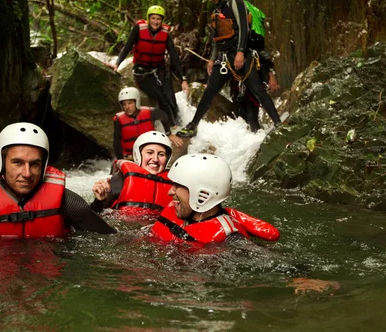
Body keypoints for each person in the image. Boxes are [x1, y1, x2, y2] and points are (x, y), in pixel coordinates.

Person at [0, 122, 116, 238]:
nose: (27, 173)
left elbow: (110, 237)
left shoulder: (66, 202)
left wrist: (99, 204)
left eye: (34, 164)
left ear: (43, 166)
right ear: (2, 162)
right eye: (18, 163)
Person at [177, 0, 281, 138]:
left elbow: (244, 29)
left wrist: (240, 52)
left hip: (242, 54)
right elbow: (217, 39)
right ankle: (193, 124)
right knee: (210, 90)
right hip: (225, 56)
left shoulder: (236, 2)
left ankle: (278, 123)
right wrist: (212, 59)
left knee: (258, 90)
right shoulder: (218, 10)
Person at [150, 153, 280, 244]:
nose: (170, 192)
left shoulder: (230, 239)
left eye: (178, 185)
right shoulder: (177, 210)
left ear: (203, 194)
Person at [105, 5, 189, 126]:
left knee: (171, 99)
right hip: (142, 72)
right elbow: (127, 47)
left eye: (158, 19)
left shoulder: (165, 34)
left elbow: (174, 56)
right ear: (148, 19)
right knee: (161, 97)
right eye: (153, 18)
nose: (155, 21)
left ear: (162, 21)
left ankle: (180, 125)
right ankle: (171, 127)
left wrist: (183, 79)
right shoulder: (138, 29)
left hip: (160, 71)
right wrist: (117, 64)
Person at [92, 131, 174, 215]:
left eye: (161, 154)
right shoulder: (120, 180)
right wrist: (100, 201)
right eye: (149, 152)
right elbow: (94, 214)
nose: (155, 159)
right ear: (138, 154)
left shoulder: (175, 188)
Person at [114, 86, 183, 160]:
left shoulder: (150, 112)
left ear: (136, 102)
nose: (127, 107)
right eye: (124, 104)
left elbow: (164, 116)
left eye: (130, 103)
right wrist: (120, 159)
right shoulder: (118, 120)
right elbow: (116, 142)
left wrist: (169, 134)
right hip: (130, 157)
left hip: (150, 154)